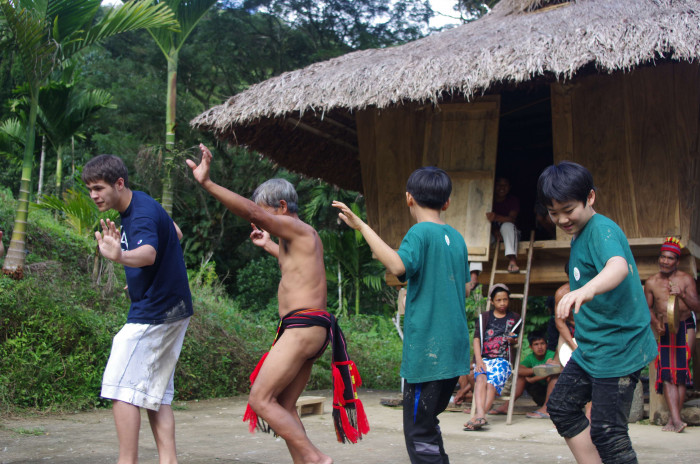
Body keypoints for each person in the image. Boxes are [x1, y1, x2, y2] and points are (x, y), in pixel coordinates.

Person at [188, 144, 366, 464]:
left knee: (260, 398)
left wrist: (207, 184)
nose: (261, 222)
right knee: (282, 405)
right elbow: (296, 268)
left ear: (282, 206)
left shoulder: (299, 228)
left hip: (302, 328)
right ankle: (307, 462)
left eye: (266, 214)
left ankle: (316, 458)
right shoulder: (294, 238)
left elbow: (252, 213)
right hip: (310, 329)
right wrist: (269, 245)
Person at [333, 166, 470, 464]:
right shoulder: (457, 238)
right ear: (446, 203)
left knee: (419, 432)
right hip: (454, 351)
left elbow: (398, 267)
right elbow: (467, 288)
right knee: (428, 425)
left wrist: (362, 227)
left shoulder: (419, 233)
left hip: (428, 354)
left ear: (409, 198)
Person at [538, 161, 657, 464]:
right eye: (554, 213)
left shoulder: (601, 229)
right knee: (562, 407)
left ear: (589, 197)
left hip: (618, 348)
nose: (562, 219)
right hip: (592, 348)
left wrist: (584, 290)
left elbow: (617, 266)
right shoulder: (579, 232)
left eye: (568, 209)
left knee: (608, 432)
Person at [83, 154, 192, 464]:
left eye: (99, 188)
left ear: (119, 183)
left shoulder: (140, 212)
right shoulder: (140, 204)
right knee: (155, 394)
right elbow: (175, 233)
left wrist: (121, 256)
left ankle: (126, 461)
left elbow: (147, 253)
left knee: (119, 385)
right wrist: (142, 278)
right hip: (172, 307)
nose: (94, 195)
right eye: (90, 189)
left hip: (157, 312)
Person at [644, 237, 700, 433]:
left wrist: (681, 294)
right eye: (662, 257)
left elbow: (697, 307)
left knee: (681, 373)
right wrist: (655, 323)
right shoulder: (651, 282)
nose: (665, 261)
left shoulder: (686, 280)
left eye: (669, 258)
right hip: (664, 329)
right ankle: (676, 420)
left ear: (676, 261)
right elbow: (647, 308)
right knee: (667, 373)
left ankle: (674, 420)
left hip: (685, 326)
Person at [467, 283, 521, 431]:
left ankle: (479, 416)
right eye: (498, 300)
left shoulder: (514, 318)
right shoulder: (484, 317)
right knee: (480, 379)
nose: (502, 303)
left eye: (505, 299)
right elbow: (477, 339)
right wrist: (478, 361)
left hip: (502, 361)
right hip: (484, 358)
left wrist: (512, 339)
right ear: (492, 301)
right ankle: (481, 416)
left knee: (491, 384)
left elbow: (515, 339)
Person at [490, 331, 560, 419]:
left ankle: (546, 409)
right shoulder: (530, 358)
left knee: (553, 376)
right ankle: (506, 406)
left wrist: (533, 379)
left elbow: (555, 370)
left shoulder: (551, 355)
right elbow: (519, 370)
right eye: (536, 344)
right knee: (521, 377)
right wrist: (537, 370)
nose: (540, 347)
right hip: (539, 394)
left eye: (542, 343)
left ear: (546, 345)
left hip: (555, 395)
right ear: (531, 347)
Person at [469, 177, 521, 289]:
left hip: (509, 235)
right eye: (499, 185)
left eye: (505, 185)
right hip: (492, 234)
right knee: (479, 234)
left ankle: (512, 260)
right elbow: (480, 220)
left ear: (509, 187)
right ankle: (474, 273)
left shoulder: (512, 200)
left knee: (508, 226)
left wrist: (496, 217)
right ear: (494, 186)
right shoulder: (488, 199)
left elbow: (512, 219)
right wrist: (494, 230)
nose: (502, 188)